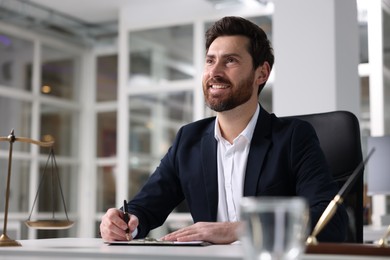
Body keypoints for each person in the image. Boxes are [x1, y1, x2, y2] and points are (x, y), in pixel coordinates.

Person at [100, 16, 348, 244]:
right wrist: (123, 223)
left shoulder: (293, 137)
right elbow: (144, 209)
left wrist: (239, 229)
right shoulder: (189, 140)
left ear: (261, 73)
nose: (215, 72)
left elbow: (331, 222)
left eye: (230, 60)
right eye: (210, 61)